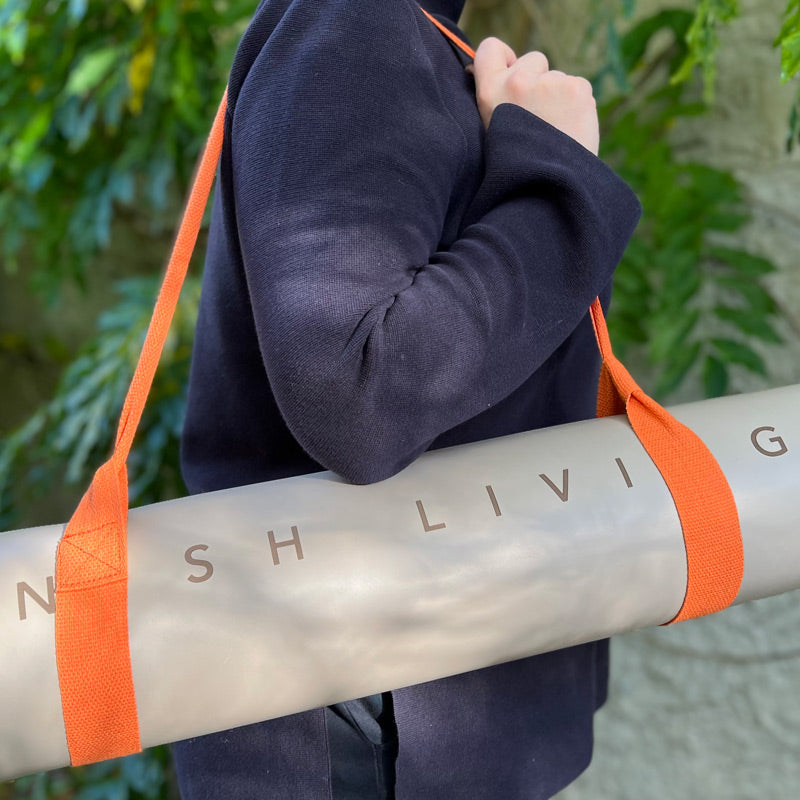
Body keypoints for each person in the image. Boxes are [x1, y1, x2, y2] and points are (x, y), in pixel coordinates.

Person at [173, 0, 642, 797]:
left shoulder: (404, 33)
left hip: (411, 697)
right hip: (364, 718)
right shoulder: (354, 24)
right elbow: (357, 392)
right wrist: (558, 177)